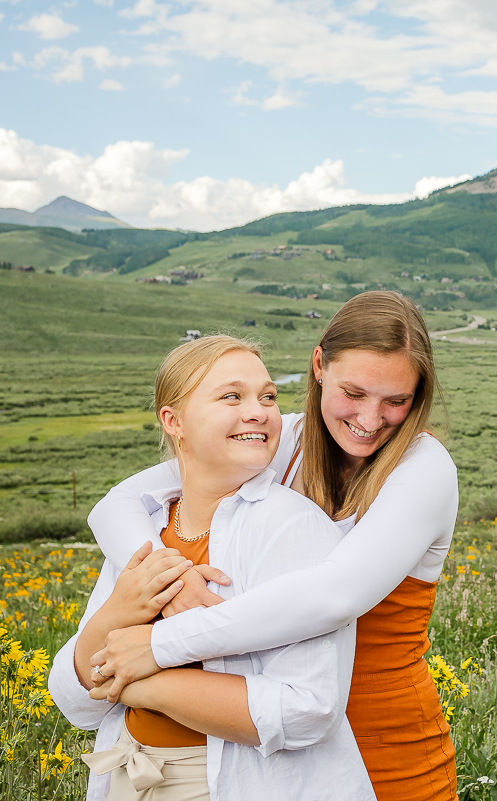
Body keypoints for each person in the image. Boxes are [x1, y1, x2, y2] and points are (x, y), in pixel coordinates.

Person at [85, 291, 459, 801]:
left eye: (397, 401)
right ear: (318, 366)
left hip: (386, 741)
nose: (371, 420)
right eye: (354, 392)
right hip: (271, 760)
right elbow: (118, 503)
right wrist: (170, 578)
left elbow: (333, 597)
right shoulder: (281, 438)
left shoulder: (424, 466)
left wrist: (159, 646)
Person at [49, 335, 375, 801]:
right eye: (231, 396)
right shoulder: (150, 529)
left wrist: (144, 683)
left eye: (267, 396)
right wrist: (118, 610)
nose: (260, 411)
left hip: (233, 785)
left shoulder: (292, 526)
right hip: (127, 775)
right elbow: (73, 697)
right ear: (173, 421)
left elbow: (309, 709)